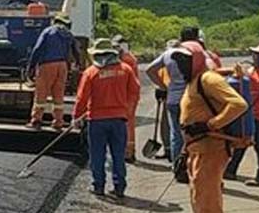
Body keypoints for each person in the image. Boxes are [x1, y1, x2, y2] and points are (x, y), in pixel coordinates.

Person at [175, 40, 247, 213]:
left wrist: (210, 125)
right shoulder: (197, 79)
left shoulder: (207, 79)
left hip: (211, 149)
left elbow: (238, 104)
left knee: (208, 202)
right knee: (199, 200)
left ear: (196, 60)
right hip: (198, 149)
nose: (180, 65)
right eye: (178, 60)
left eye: (184, 60)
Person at [72, 38, 140, 198]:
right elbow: (135, 91)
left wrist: (76, 117)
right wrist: (127, 110)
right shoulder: (125, 69)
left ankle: (98, 186)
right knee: (118, 154)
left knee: (97, 154)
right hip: (119, 120)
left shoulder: (91, 72)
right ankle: (119, 187)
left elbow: (81, 97)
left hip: (96, 120)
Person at [25, 13, 82, 130]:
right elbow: (76, 49)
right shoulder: (68, 34)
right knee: (59, 94)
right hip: (62, 66)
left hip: (47, 64)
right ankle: (58, 122)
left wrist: (31, 67)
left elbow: (37, 48)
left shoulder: (48, 31)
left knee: (41, 93)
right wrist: (78, 62)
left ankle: (36, 120)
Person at [146, 33, 191, 172]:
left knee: (175, 133)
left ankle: (176, 164)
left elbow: (149, 70)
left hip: (172, 98)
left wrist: (163, 86)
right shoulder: (191, 55)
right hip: (189, 99)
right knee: (190, 132)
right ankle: (189, 163)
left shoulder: (167, 55)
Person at [112, 34, 140, 163]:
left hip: (127, 95)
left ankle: (128, 152)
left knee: (126, 123)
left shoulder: (125, 61)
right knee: (129, 122)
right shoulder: (130, 58)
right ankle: (129, 150)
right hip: (130, 94)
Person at [243, 44, 259, 187]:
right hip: (255, 116)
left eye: (258, 55)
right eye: (254, 54)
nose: (255, 57)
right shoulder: (252, 71)